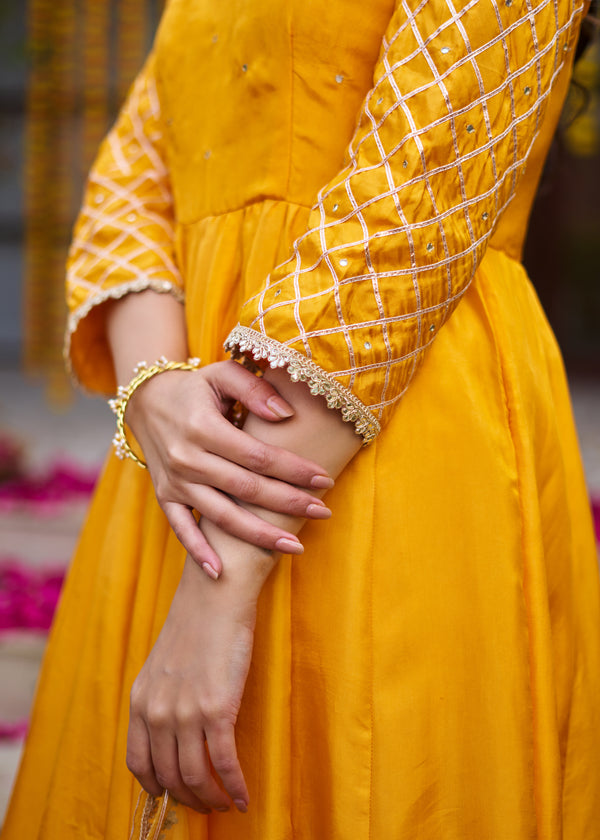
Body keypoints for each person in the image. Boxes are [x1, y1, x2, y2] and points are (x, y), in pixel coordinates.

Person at [4, 0, 600, 837]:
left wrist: (215, 593)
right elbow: (129, 192)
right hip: (189, 455)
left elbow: (414, 203)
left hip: (389, 440)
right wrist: (154, 388)